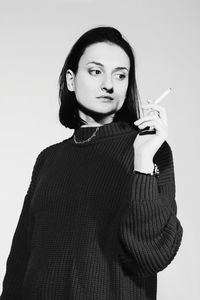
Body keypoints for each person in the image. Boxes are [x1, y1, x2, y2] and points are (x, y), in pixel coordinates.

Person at [0, 26, 183, 300]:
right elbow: (21, 259)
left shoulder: (150, 150)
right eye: (96, 71)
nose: (109, 84)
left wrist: (143, 161)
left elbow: (153, 255)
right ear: (71, 81)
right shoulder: (48, 158)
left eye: (120, 75)